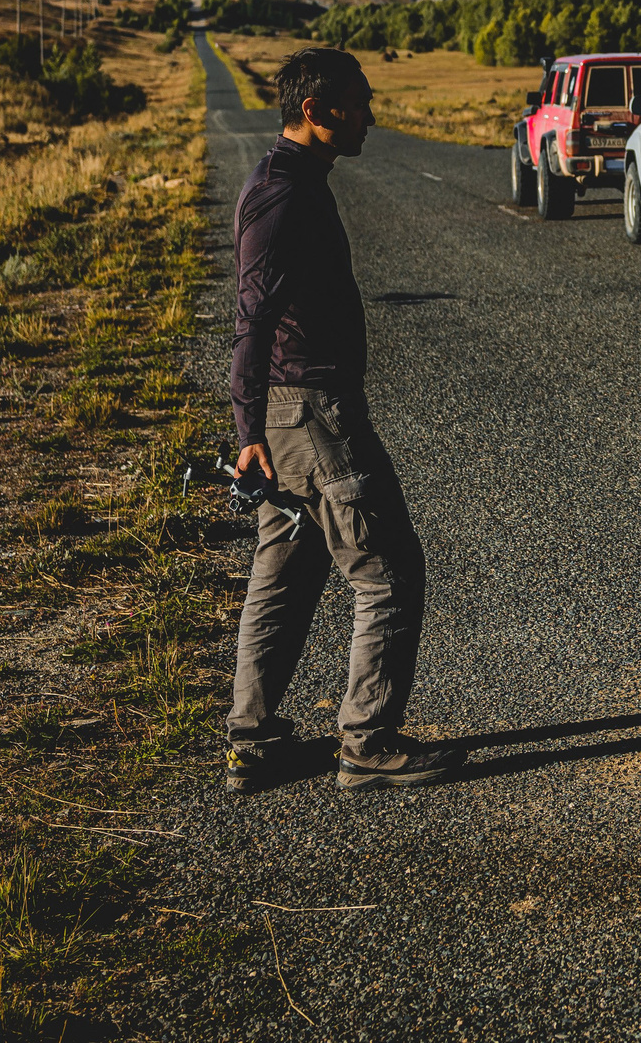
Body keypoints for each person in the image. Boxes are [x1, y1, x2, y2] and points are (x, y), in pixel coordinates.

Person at [224, 46, 463, 793]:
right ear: (318, 111)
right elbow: (250, 319)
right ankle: (366, 743)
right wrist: (247, 433)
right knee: (388, 569)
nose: (369, 115)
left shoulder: (296, 181)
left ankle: (253, 743)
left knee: (287, 572)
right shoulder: (280, 196)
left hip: (293, 412)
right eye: (358, 103)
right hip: (313, 413)